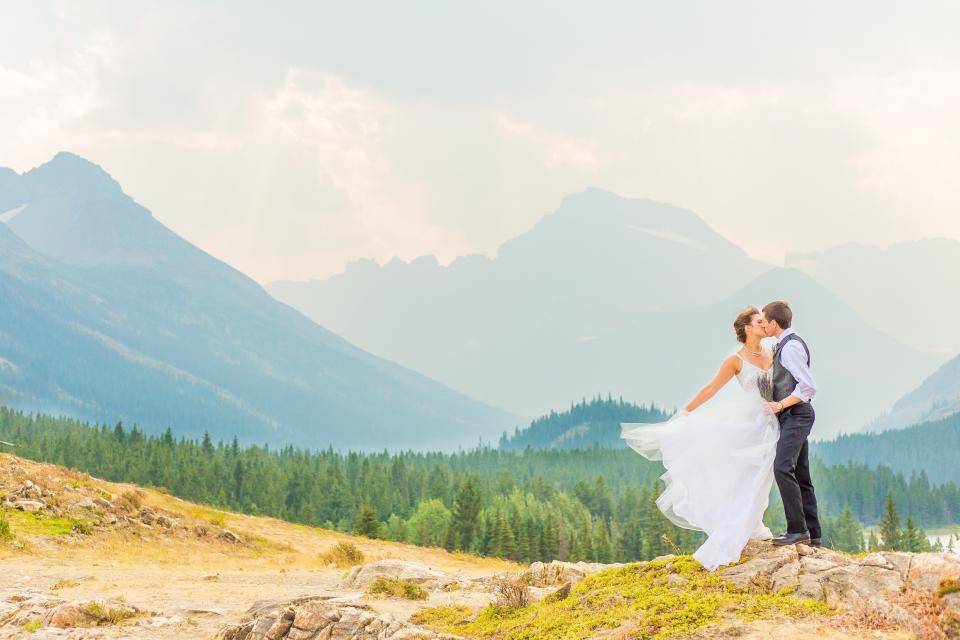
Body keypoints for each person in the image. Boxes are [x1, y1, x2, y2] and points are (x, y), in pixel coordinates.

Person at [620, 306, 779, 570]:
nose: (765, 325)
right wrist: (687, 410)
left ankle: (754, 523)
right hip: (749, 424)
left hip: (772, 420)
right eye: (760, 321)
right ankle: (746, 525)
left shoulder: (772, 352)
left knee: (766, 472)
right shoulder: (735, 360)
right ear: (748, 328)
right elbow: (713, 387)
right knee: (748, 473)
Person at [761, 300, 820, 547]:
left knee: (782, 467)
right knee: (801, 473)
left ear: (774, 323)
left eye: (765, 321)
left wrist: (780, 405)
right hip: (793, 415)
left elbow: (808, 387)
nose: (763, 324)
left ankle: (797, 530)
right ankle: (814, 534)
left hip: (797, 414)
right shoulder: (783, 345)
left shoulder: (790, 347)